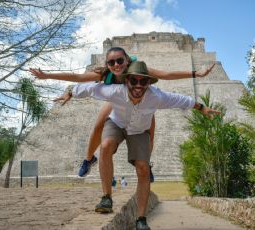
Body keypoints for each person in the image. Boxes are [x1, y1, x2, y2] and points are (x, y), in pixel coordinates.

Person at [58, 61, 220, 230]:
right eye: (133, 81)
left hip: (139, 130)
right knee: (105, 145)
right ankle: (106, 197)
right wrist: (70, 92)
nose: (138, 85)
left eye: (143, 81)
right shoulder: (115, 91)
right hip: (116, 124)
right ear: (126, 81)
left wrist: (202, 108)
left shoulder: (156, 96)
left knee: (143, 169)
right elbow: (90, 88)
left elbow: (181, 100)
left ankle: (141, 219)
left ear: (149, 83)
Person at [29, 47, 215, 179]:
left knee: (149, 134)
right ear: (107, 64)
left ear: (127, 60)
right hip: (117, 100)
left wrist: (195, 74)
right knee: (99, 125)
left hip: (141, 102)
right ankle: (88, 159)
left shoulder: (139, 70)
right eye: (112, 62)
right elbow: (78, 78)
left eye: (120, 61)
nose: (116, 65)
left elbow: (166, 75)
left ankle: (146, 164)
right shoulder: (105, 75)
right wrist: (48, 76)